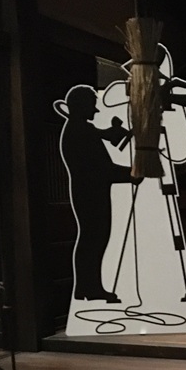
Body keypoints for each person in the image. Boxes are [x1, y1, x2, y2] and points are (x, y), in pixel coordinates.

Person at [57, 85, 141, 303]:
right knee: (94, 239)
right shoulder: (81, 131)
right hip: (92, 195)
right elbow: (102, 170)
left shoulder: (79, 129)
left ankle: (86, 286)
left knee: (91, 238)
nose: (95, 110)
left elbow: (103, 141)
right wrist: (132, 174)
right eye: (92, 105)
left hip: (88, 193)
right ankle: (90, 287)